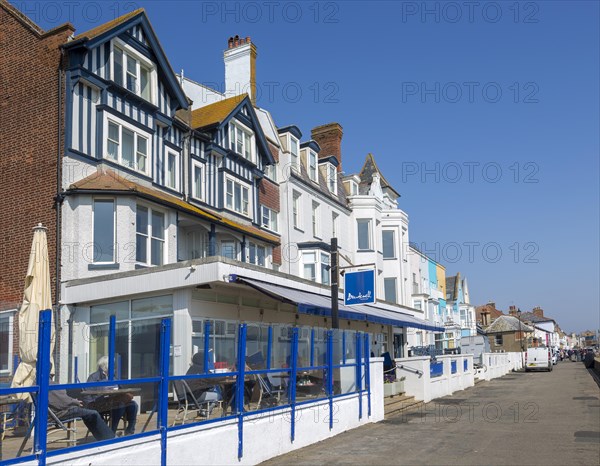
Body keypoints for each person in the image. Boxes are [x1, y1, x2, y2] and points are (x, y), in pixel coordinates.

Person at [83, 356, 137, 435]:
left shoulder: (112, 376)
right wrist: (91, 405)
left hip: (113, 401)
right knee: (119, 406)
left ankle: (130, 431)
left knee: (133, 405)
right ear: (106, 366)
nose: (114, 367)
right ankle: (111, 432)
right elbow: (87, 394)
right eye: (112, 365)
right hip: (99, 403)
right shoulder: (93, 377)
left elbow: (120, 388)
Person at [48, 383, 114, 441]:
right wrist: (75, 402)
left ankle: (104, 437)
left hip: (56, 412)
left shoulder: (45, 382)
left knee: (88, 414)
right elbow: (62, 402)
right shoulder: (49, 383)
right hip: (60, 413)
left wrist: (73, 401)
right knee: (93, 414)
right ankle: (109, 438)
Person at [186, 351, 222, 416]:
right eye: (207, 361)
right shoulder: (202, 369)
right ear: (202, 360)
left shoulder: (192, 369)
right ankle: (206, 413)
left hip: (188, 397)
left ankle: (202, 410)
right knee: (217, 395)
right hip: (196, 397)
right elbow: (214, 378)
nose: (208, 363)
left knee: (209, 390)